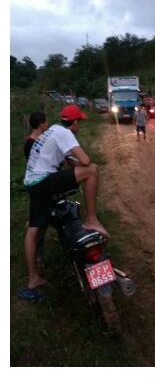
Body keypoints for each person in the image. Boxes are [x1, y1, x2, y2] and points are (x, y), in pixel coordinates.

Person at [19, 104, 109, 301]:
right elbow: (85, 161)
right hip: (43, 180)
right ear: (74, 122)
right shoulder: (65, 133)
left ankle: (33, 278)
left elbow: (71, 161)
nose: (80, 126)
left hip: (32, 182)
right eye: (80, 122)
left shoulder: (52, 131)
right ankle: (92, 219)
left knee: (33, 229)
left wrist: (73, 163)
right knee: (92, 170)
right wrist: (80, 164)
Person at [24, 112, 49, 269]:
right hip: (40, 185)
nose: (47, 124)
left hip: (45, 184)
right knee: (39, 224)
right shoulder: (31, 144)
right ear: (41, 124)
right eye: (46, 122)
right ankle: (37, 255)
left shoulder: (38, 141)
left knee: (44, 221)